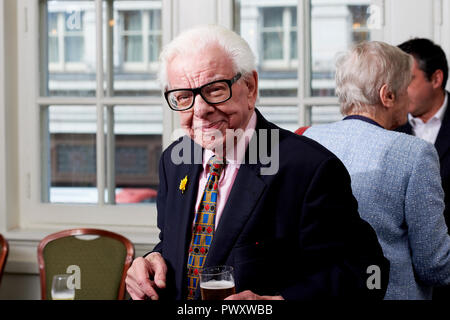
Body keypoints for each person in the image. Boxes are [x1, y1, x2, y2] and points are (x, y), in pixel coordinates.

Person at [125, 25, 388, 300]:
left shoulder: (310, 168)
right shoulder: (174, 161)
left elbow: (366, 273)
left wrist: (276, 302)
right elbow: (176, 244)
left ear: (250, 87)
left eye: (214, 90)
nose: (199, 110)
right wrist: (152, 259)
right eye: (184, 97)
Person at [303, 41, 450, 300]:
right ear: (388, 96)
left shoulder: (309, 140)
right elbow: (434, 266)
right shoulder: (415, 153)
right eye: (405, 88)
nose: (409, 98)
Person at [396, 37, 450, 300]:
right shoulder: (389, 126)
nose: (400, 89)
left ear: (436, 79)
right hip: (402, 278)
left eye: (409, 79)